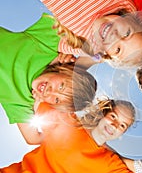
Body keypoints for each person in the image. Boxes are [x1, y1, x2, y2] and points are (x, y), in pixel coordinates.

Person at [0, 13, 97, 145]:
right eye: (61, 86)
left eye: (56, 100)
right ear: (65, 71)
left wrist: (36, 106)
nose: (50, 92)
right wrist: (77, 63)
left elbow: (33, 139)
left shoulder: (23, 101)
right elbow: (98, 48)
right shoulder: (45, 47)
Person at [0, 99, 137, 173]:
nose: (114, 125)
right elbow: (37, 97)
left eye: (122, 125)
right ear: (103, 113)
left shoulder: (110, 163)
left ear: (122, 133)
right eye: (113, 116)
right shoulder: (68, 122)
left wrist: (121, 158)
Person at [25, 0, 142, 68]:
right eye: (127, 33)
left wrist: (63, 58)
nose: (115, 37)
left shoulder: (87, 46)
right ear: (129, 18)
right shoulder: (125, 6)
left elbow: (59, 46)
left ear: (107, 55)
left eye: (118, 50)